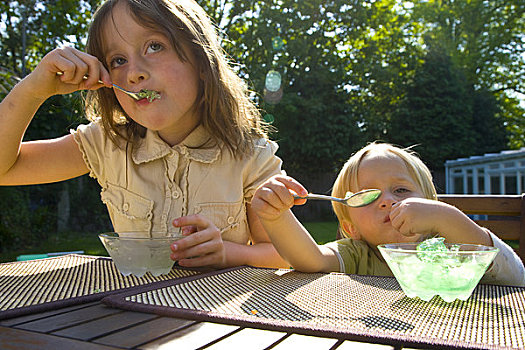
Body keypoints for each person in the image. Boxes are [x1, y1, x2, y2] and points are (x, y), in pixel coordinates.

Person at [0, 0, 289, 269]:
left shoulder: (251, 156)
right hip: (130, 317)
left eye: (154, 46)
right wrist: (33, 90)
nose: (134, 73)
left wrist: (229, 252)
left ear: (202, 62)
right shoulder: (106, 143)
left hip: (218, 320)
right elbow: (4, 170)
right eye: (118, 60)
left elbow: (284, 254)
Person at [252, 142, 525, 286]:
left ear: (430, 204)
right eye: (369, 196)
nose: (388, 201)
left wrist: (448, 218)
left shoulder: (451, 246)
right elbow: (311, 259)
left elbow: (516, 276)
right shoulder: (358, 253)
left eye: (402, 190)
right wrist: (276, 217)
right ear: (351, 230)